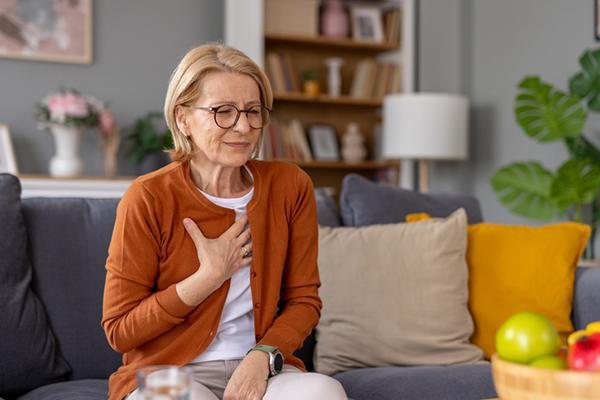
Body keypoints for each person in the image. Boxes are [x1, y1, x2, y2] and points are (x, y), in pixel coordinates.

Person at [101, 43, 348, 400]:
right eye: (223, 112)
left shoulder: (290, 186)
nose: (243, 126)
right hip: (168, 374)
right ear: (183, 118)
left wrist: (263, 356)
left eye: (252, 111)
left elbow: (304, 300)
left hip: (262, 366)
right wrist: (208, 277)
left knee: (324, 392)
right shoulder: (149, 196)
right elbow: (120, 330)